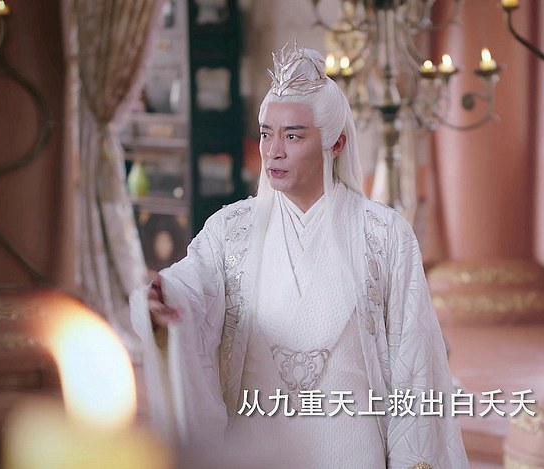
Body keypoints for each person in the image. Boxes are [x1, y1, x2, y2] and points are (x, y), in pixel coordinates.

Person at [129, 43, 469, 468]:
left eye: (292, 136)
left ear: (336, 143)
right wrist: (163, 300)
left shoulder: (383, 235)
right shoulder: (231, 229)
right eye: (265, 133)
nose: (273, 151)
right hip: (256, 448)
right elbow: (191, 284)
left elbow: (414, 364)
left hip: (352, 447)